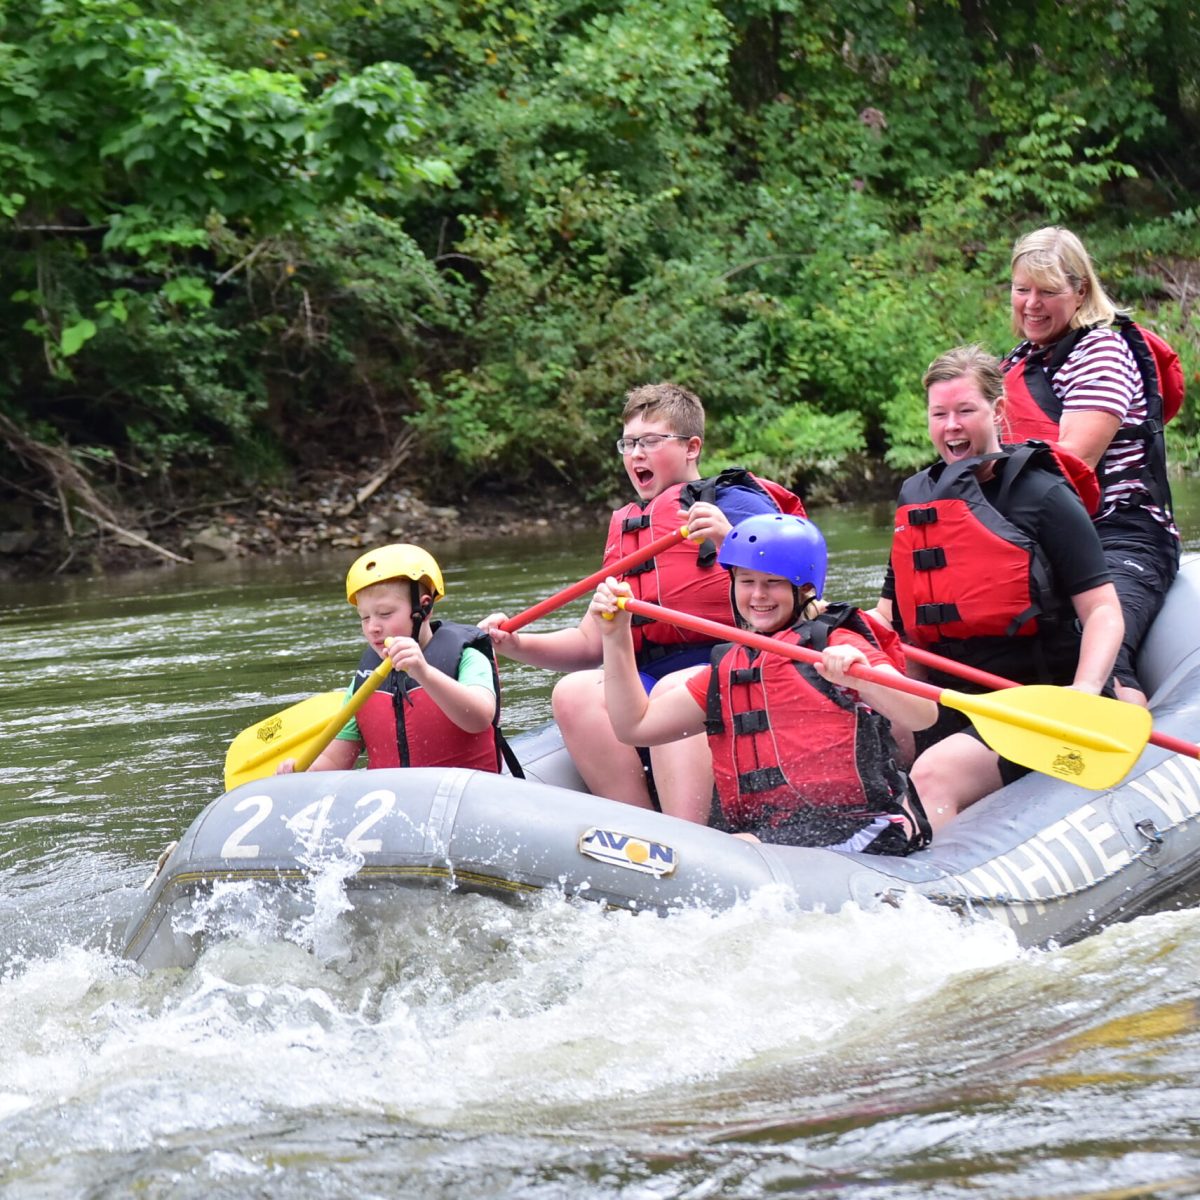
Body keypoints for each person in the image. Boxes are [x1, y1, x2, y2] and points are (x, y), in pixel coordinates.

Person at [479, 382, 803, 820]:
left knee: (676, 690)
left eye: (650, 442)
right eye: (628, 443)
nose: (635, 455)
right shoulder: (629, 527)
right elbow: (590, 644)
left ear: (692, 448)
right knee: (573, 692)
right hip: (646, 682)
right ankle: (638, 827)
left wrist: (731, 539)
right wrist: (515, 643)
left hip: (734, 669)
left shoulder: (735, 500)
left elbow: (798, 589)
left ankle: (686, 834)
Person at [874, 346, 1125, 833]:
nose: (952, 426)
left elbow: (1103, 611)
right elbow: (891, 619)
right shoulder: (915, 497)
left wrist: (1085, 692)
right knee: (873, 740)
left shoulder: (1042, 494)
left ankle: (941, 899)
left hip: (1040, 701)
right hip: (955, 698)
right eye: (939, 413)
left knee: (933, 774)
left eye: (966, 410)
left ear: (997, 410)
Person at [590, 513, 937, 851]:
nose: (758, 595)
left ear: (803, 588)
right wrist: (615, 634)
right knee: (729, 847)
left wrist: (865, 679)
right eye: (747, 581)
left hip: (860, 827)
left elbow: (923, 714)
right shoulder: (732, 665)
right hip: (776, 835)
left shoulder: (835, 643)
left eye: (772, 582)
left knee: (727, 851)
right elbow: (635, 726)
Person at [1001, 226, 1181, 705]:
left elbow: (1074, 465)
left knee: (1098, 651)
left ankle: (1126, 749)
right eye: (1022, 289)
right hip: (1047, 543)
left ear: (1080, 291)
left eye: (1048, 291)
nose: (1031, 304)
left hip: (1124, 534)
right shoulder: (1020, 361)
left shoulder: (1101, 352)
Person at [278, 543, 508, 773]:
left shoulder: (467, 657)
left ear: (424, 609)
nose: (373, 628)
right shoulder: (366, 679)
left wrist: (423, 673)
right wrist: (301, 775)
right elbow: (336, 761)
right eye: (364, 617)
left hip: (464, 797)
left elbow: (479, 719)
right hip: (394, 800)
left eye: (385, 614)